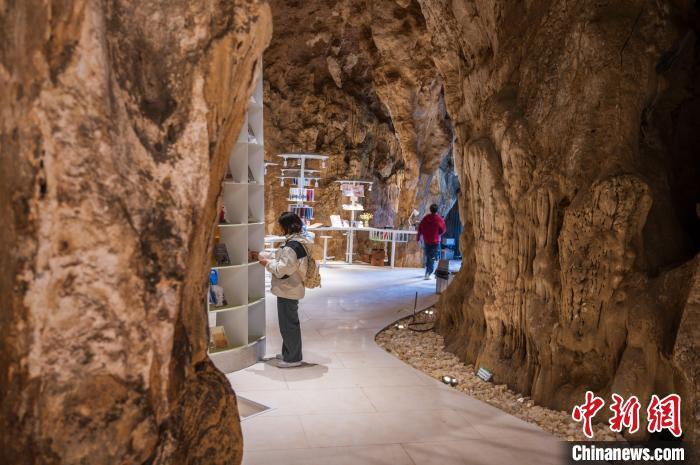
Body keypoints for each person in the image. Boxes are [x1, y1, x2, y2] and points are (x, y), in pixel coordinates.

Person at [253, 212, 311, 368]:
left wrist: (266, 263)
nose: (279, 227)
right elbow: (282, 258)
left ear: (286, 226)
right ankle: (288, 352)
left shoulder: (292, 246)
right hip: (290, 288)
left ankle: (293, 358)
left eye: (280, 225)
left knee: (288, 324)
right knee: (288, 323)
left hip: (288, 289)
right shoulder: (297, 242)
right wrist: (261, 255)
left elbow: (281, 269)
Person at [416, 204, 446, 279]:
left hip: (427, 241)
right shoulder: (439, 219)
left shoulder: (425, 218)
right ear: (437, 210)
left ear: (430, 209)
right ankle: (430, 272)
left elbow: (420, 227)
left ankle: (428, 272)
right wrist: (438, 234)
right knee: (433, 257)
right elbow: (443, 230)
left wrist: (418, 237)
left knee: (429, 257)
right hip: (435, 241)